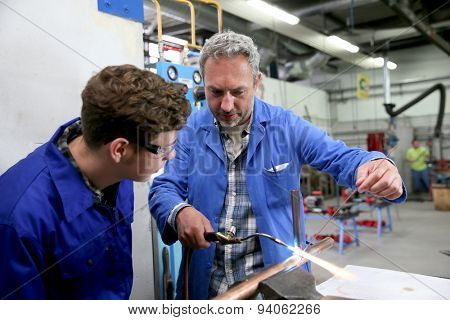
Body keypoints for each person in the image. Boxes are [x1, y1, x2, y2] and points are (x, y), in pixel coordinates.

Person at [149, 31, 406, 300]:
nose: (226, 105)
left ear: (256, 82)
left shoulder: (286, 127)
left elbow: (339, 157)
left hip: (278, 286)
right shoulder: (191, 130)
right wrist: (179, 212)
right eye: (215, 92)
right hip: (208, 289)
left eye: (238, 92)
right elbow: (164, 187)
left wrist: (375, 163)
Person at [0, 65, 191, 299]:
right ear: (119, 149)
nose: (170, 156)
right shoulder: (18, 221)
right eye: (163, 149)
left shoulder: (117, 172)